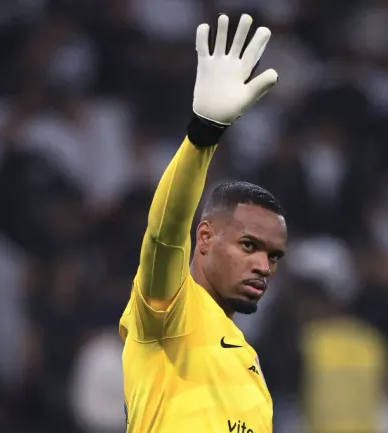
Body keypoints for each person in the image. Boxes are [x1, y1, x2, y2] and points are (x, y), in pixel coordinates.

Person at [119, 14, 287, 433]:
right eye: (249, 246)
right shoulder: (169, 309)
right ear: (206, 236)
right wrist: (204, 136)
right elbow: (164, 232)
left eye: (273, 256)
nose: (264, 267)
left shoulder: (250, 364)